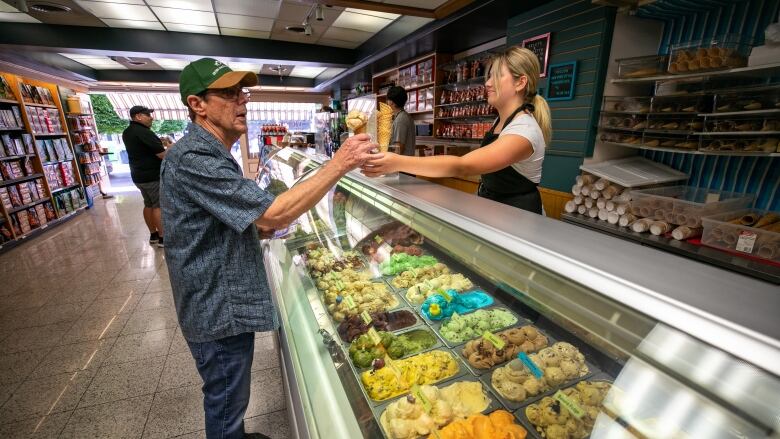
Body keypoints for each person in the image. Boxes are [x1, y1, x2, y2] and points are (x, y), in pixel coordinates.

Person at [160, 58, 376, 439]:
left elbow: (241, 219)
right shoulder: (194, 157)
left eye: (242, 92)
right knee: (226, 394)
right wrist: (340, 162)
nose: (242, 101)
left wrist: (262, 227)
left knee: (231, 390)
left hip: (218, 295)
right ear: (198, 104)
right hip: (215, 305)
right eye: (228, 93)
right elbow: (273, 214)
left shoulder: (209, 151)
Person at [363, 47, 551, 214]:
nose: (487, 83)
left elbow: (463, 166)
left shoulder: (524, 132)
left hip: (519, 218)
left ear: (520, 83)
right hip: (495, 212)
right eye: (489, 76)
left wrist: (397, 162)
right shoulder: (501, 121)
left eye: (497, 76)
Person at [122, 105, 166, 246]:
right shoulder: (143, 132)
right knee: (158, 206)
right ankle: (162, 238)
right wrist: (172, 150)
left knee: (148, 204)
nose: (151, 117)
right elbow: (161, 154)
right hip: (152, 175)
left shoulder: (127, 132)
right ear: (138, 116)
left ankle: (153, 235)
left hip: (138, 175)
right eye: (147, 115)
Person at [386, 86, 416, 156]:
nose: (387, 102)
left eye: (388, 100)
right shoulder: (404, 116)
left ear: (392, 102)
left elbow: (398, 148)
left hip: (401, 165)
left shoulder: (400, 120)